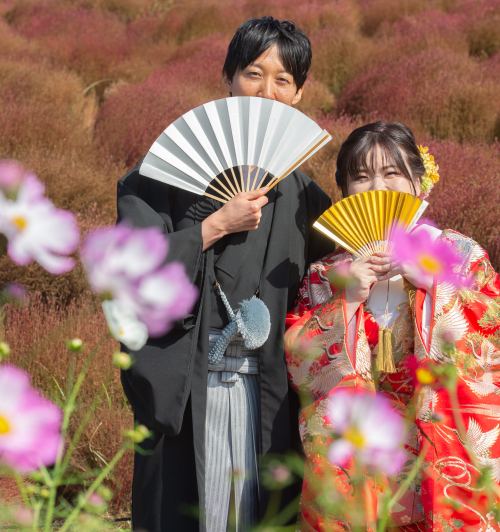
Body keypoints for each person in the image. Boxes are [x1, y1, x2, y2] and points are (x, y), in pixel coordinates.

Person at [116, 17, 334, 532]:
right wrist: (212, 226)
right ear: (228, 79)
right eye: (253, 73)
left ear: (299, 93)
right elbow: (128, 272)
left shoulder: (307, 197)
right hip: (188, 387)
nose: (267, 91)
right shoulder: (162, 177)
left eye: (284, 80)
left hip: (268, 394)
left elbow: (327, 289)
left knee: (262, 512)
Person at [284, 122, 500, 531]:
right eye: (361, 177)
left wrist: (437, 285)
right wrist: (345, 301)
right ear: (344, 189)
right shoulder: (325, 274)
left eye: (391, 173)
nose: (377, 186)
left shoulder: (458, 254)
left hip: (444, 440)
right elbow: (297, 358)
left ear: (418, 182)